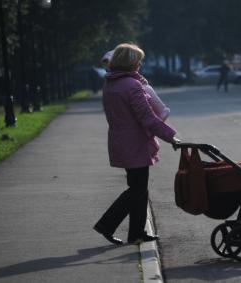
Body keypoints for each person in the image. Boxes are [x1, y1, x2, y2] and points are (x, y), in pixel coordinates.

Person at [94, 43, 179, 245]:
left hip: (120, 141)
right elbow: (147, 118)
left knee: (139, 188)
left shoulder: (111, 84)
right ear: (130, 62)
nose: (140, 64)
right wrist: (171, 137)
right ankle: (107, 224)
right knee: (137, 189)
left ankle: (137, 233)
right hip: (135, 143)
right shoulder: (132, 86)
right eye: (138, 60)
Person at [101, 50, 170, 121]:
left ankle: (159, 113)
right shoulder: (111, 80)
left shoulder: (131, 81)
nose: (107, 67)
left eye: (109, 63)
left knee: (146, 88)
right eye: (106, 64)